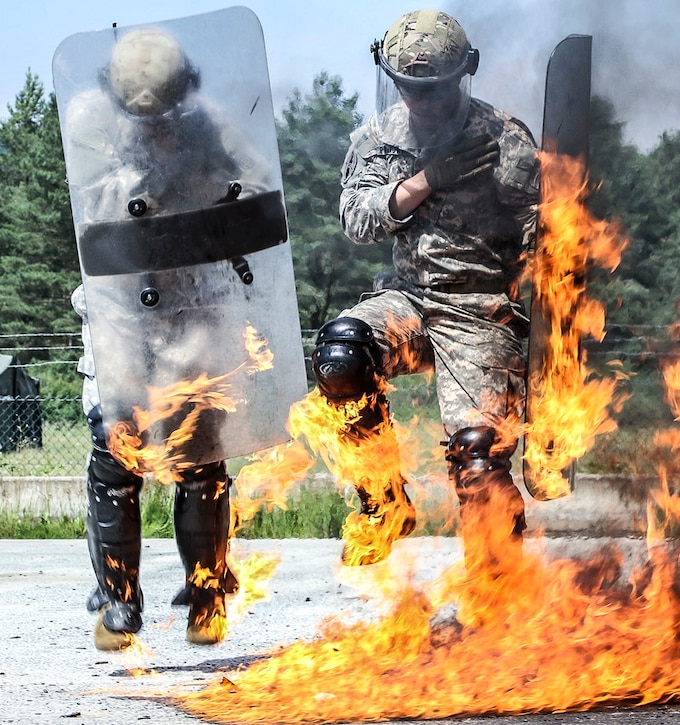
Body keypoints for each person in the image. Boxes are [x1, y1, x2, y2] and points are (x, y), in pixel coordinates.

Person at [311, 9, 540, 572]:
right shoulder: (378, 136)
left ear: (465, 73)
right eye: (410, 88)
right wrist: (426, 181)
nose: (424, 101)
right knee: (341, 355)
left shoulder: (504, 139)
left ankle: (498, 596)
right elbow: (358, 222)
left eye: (435, 89)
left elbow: (546, 236)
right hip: (408, 298)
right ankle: (383, 505)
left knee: (479, 458)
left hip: (481, 310)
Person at [68, 27, 268, 651]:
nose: (154, 124)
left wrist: (212, 197)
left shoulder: (213, 128)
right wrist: (134, 181)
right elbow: (86, 209)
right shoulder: (92, 125)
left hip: (196, 307)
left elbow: (263, 198)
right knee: (114, 443)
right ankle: (118, 602)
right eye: (140, 115)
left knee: (201, 453)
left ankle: (206, 595)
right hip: (121, 305)